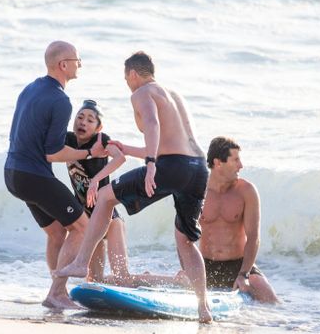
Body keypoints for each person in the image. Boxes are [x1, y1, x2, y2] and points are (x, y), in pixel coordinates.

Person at [55, 51, 213, 322]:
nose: (127, 84)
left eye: (126, 78)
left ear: (133, 74)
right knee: (186, 241)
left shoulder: (141, 92)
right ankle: (203, 309)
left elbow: (152, 126)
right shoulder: (173, 95)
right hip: (198, 168)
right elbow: (170, 146)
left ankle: (82, 262)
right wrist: (127, 149)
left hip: (169, 165)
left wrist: (151, 164)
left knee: (104, 197)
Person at [4, 41, 106, 309]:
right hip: (33, 175)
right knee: (82, 226)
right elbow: (53, 153)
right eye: (77, 60)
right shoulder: (60, 100)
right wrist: (88, 155)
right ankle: (57, 293)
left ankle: (54, 291)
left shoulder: (30, 88)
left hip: (13, 173)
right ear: (63, 65)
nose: (79, 64)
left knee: (57, 232)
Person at [66, 100, 186, 287]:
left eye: (90, 120)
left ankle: (176, 281)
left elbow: (120, 157)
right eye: (80, 117)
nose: (83, 122)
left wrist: (96, 179)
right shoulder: (68, 141)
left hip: (109, 220)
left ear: (99, 127)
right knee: (94, 281)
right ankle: (146, 278)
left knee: (123, 278)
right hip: (89, 222)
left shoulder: (101, 140)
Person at [197, 136, 279, 303]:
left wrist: (244, 274)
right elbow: (184, 234)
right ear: (218, 163)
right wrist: (189, 268)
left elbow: (253, 237)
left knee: (270, 298)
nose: (241, 166)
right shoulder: (197, 189)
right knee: (179, 281)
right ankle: (132, 281)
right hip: (205, 265)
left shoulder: (246, 191)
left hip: (237, 265)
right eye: (235, 160)